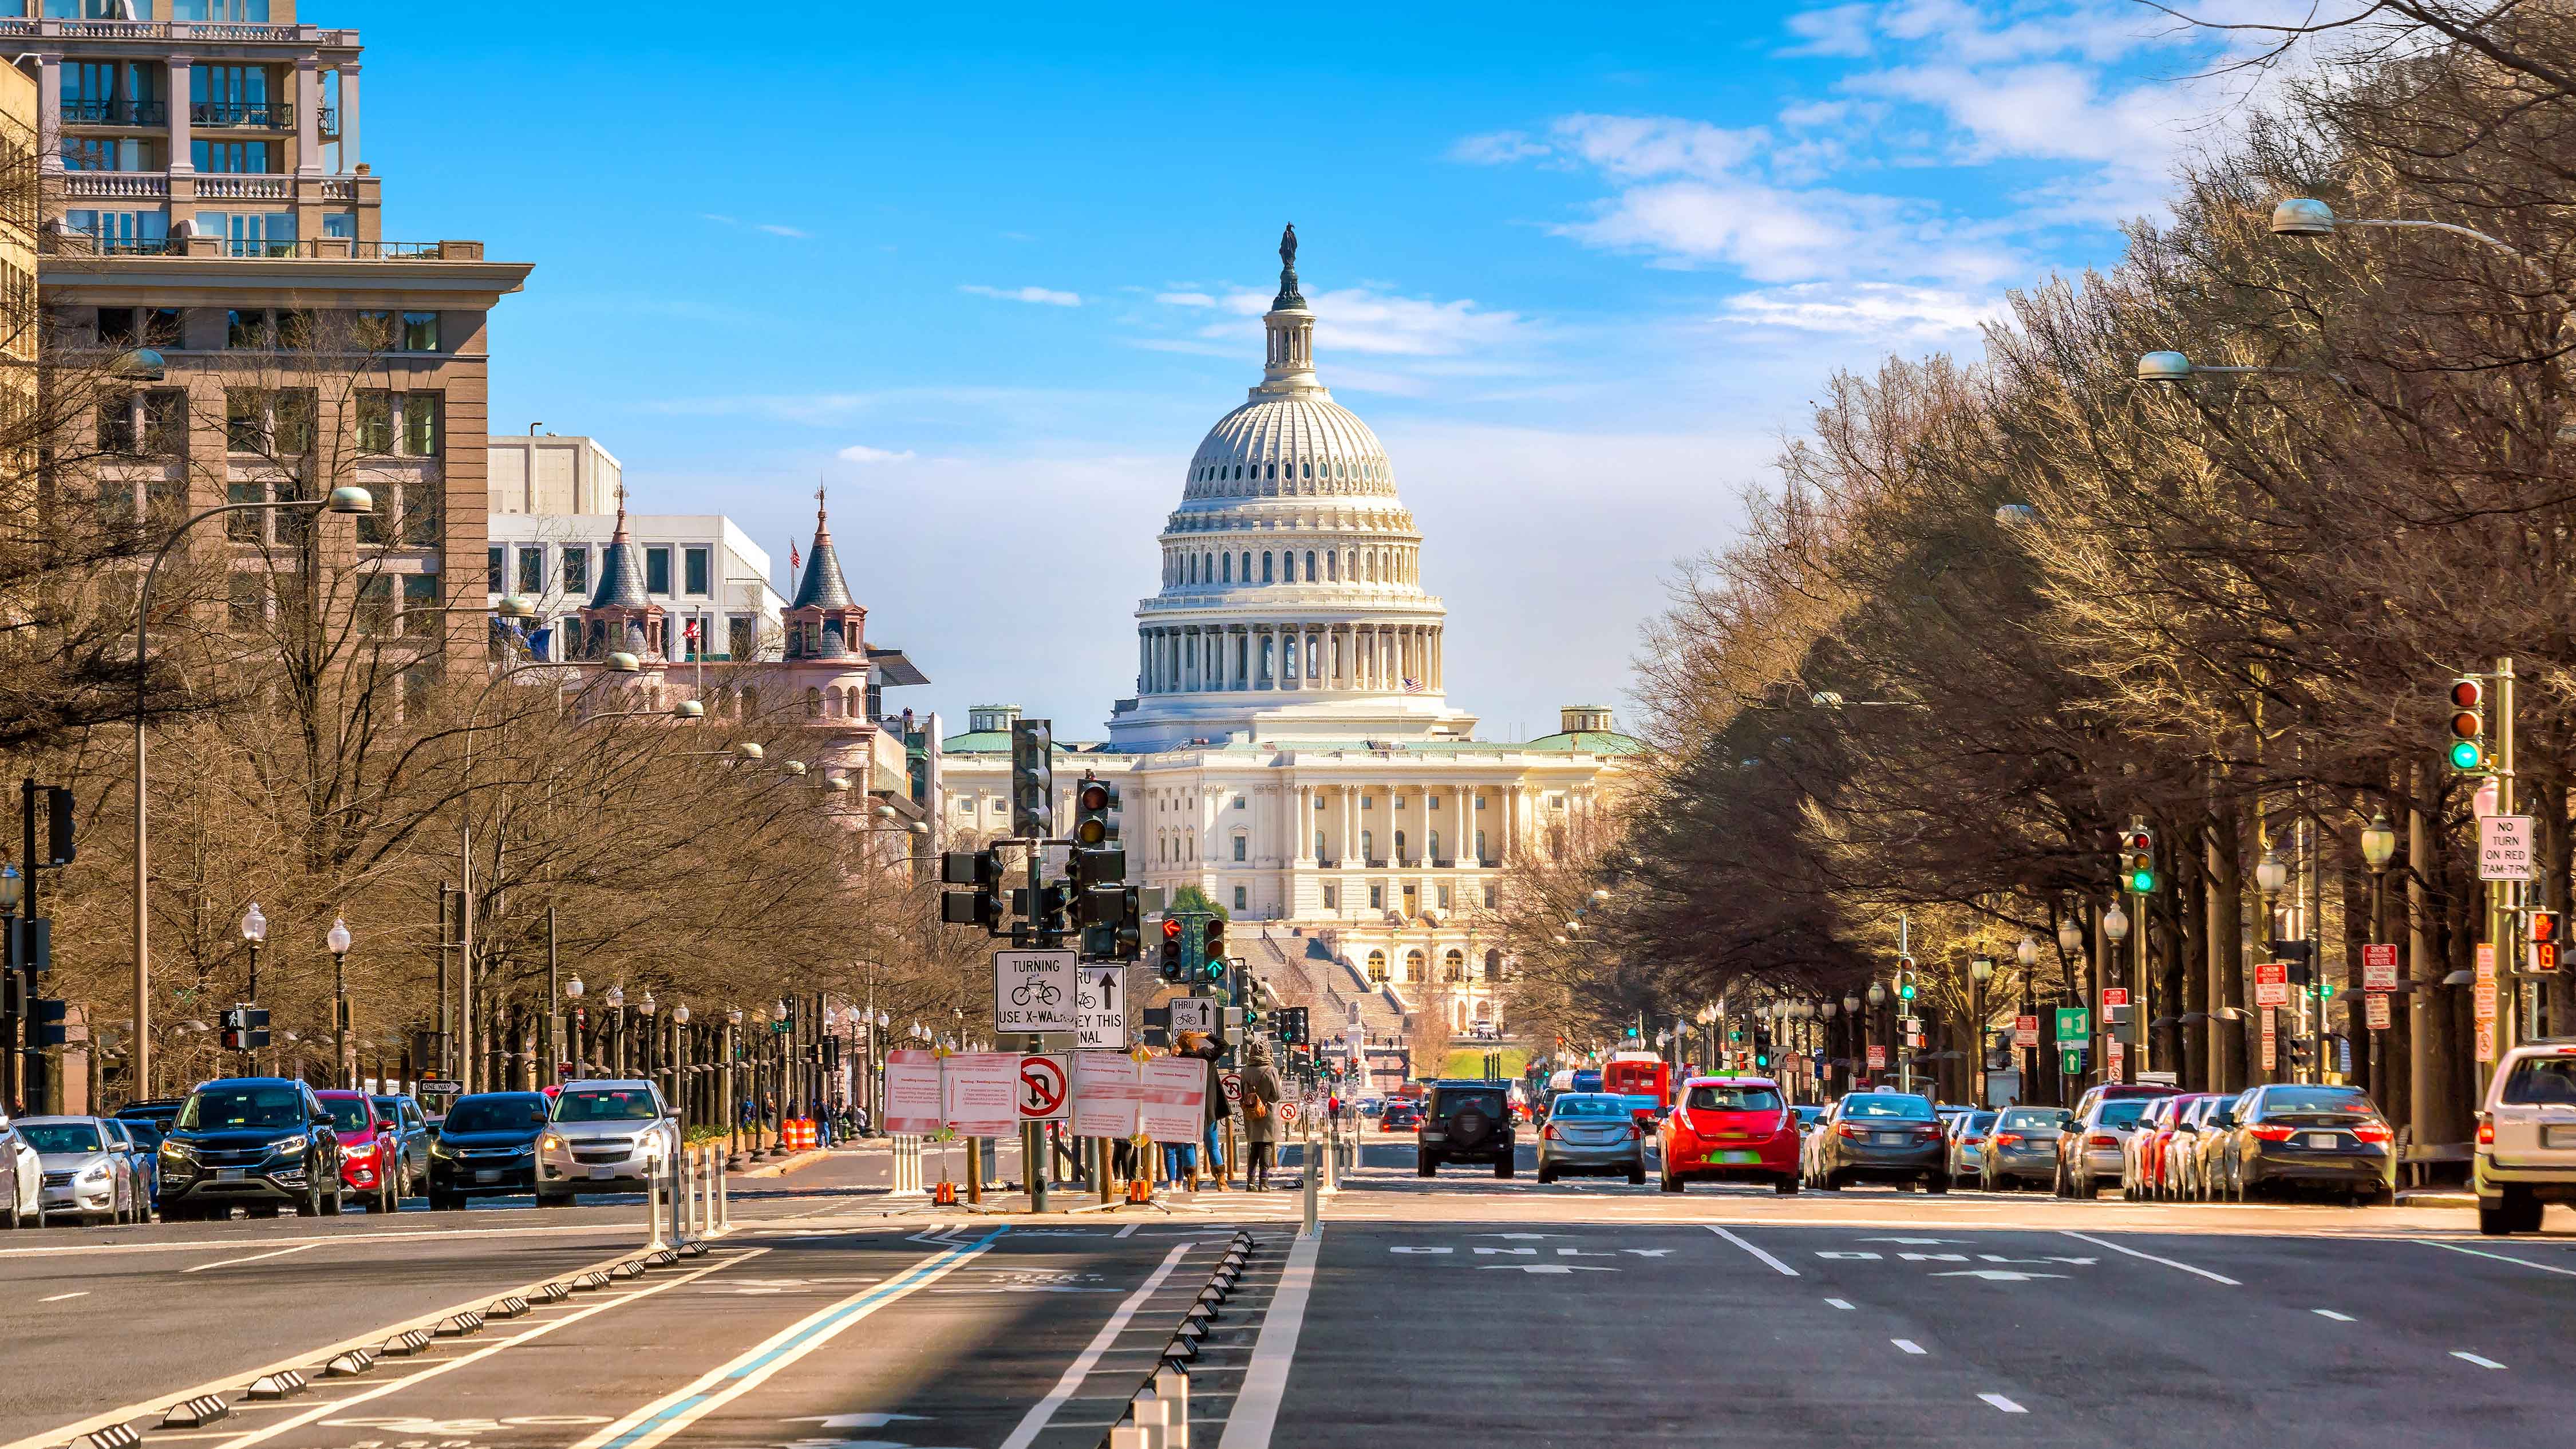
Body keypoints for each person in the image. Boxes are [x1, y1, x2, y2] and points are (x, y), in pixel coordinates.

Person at [1239, 1040, 1285, 1190]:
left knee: (1254, 1147)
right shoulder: (1271, 1071)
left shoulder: (1245, 1071)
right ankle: (1263, 1182)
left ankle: (1250, 1182)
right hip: (1268, 1113)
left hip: (1251, 1113)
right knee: (1266, 1146)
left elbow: (1242, 1093)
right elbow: (1277, 1095)